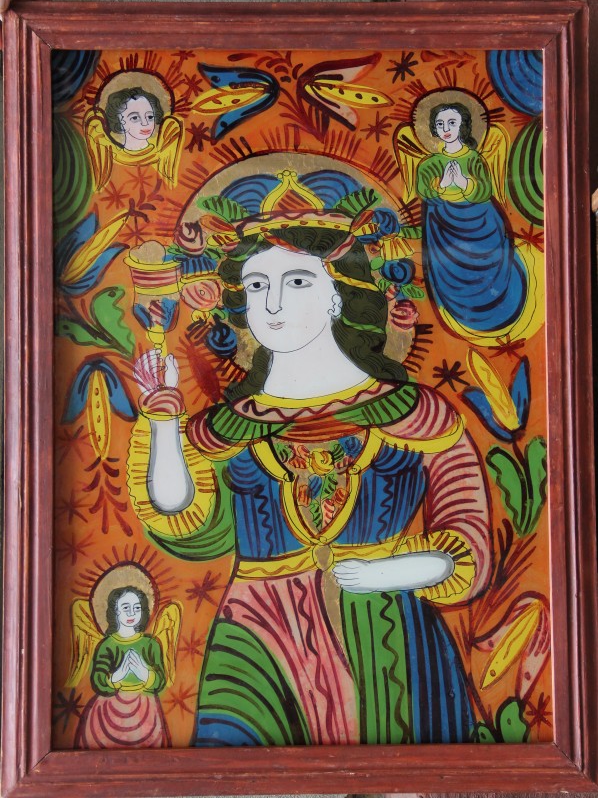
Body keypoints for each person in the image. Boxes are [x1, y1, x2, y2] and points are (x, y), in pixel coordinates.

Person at [128, 176, 492, 746]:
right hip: (255, 637)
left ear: (339, 292)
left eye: (297, 281)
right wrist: (163, 416)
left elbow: (468, 540)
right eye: (256, 285)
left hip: (387, 634)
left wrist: (388, 573)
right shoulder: (225, 426)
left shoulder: (416, 415)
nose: (272, 304)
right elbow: (181, 515)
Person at [415, 102, 531, 338]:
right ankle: (460, 308)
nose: (446, 129)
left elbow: (484, 191)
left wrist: (465, 183)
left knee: (491, 263)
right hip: (444, 227)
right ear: (434, 129)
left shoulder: (474, 159)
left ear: (463, 126)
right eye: (440, 124)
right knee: (450, 269)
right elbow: (424, 192)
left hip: (480, 223)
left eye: (452, 122)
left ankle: (499, 301)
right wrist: (442, 185)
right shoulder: (429, 164)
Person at [75, 586, 170, 748]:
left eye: (137, 608)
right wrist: (117, 675)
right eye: (126, 608)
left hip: (145, 707)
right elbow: (98, 679)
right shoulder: (107, 645)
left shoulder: (151, 644)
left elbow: (161, 680)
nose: (132, 613)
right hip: (109, 706)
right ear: (115, 611)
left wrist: (145, 674)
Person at [105, 87, 164, 151]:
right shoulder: (111, 154)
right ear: (120, 120)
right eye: (135, 118)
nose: (145, 123)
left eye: (150, 117)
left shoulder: (162, 151)